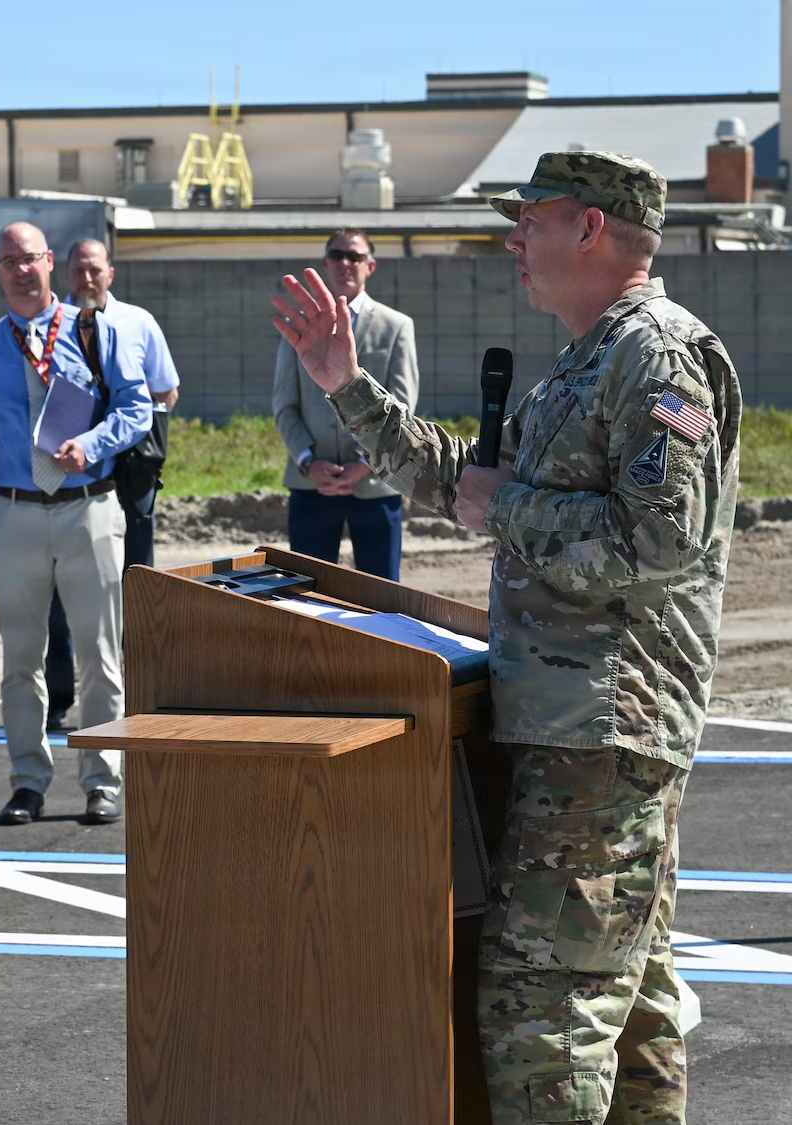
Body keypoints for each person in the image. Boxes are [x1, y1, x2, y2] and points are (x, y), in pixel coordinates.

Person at [274, 151, 739, 1124]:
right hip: (577, 730)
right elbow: (468, 484)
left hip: (602, 732)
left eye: (531, 218)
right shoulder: (589, 359)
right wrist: (347, 387)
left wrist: (510, 508)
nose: (513, 239)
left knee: (542, 1019)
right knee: (631, 1009)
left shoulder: (658, 359)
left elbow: (656, 541)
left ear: (591, 227)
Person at [0, 222, 150, 827]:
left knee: (99, 655)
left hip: (87, 507)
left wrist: (92, 445)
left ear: (49, 263)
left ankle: (102, 781)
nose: (21, 270)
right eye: (9, 261)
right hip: (12, 515)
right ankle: (27, 781)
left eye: (30, 258)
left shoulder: (94, 330)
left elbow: (137, 407)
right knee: (21, 660)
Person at [43, 237, 181, 729]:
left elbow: (166, 391)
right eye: (78, 270)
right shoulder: (49, 326)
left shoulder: (137, 323)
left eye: (95, 270)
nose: (86, 278)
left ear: (110, 274)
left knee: (134, 585)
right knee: (59, 592)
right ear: (65, 274)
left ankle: (137, 693)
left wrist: (125, 425)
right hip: (67, 478)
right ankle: (58, 698)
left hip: (129, 477)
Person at [272, 228, 419, 580]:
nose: (345, 263)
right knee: (307, 593)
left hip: (376, 485)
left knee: (381, 595)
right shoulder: (300, 328)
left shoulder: (396, 326)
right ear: (325, 263)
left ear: (371, 265)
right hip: (313, 484)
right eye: (337, 256)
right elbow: (284, 405)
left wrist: (366, 464)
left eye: (354, 256)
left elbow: (404, 405)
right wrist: (308, 462)